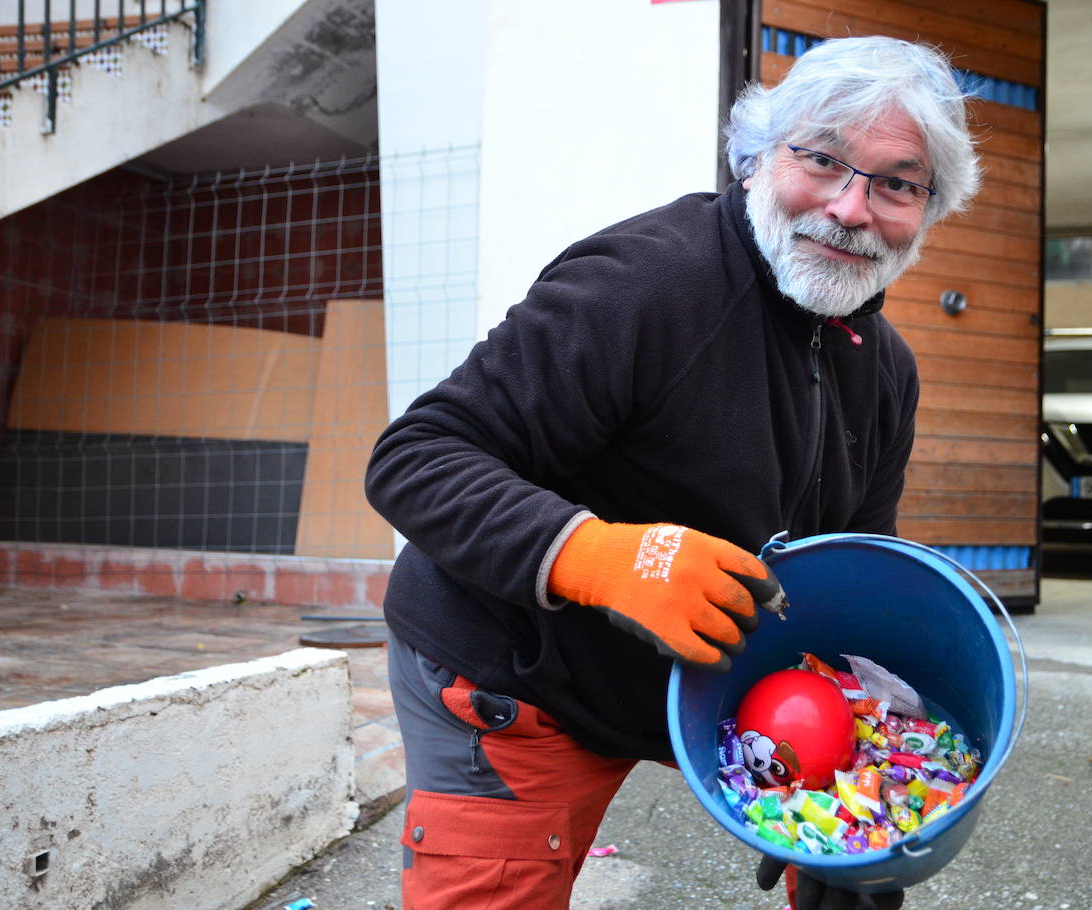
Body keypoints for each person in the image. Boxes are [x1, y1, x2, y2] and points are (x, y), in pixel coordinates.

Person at [364, 34, 981, 910]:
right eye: (823, 161)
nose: (851, 208)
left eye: (896, 182)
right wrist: (606, 560)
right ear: (762, 153)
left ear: (931, 207)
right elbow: (416, 458)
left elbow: (852, 565)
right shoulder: (649, 283)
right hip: (518, 668)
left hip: (697, 678)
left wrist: (853, 795)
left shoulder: (884, 370)